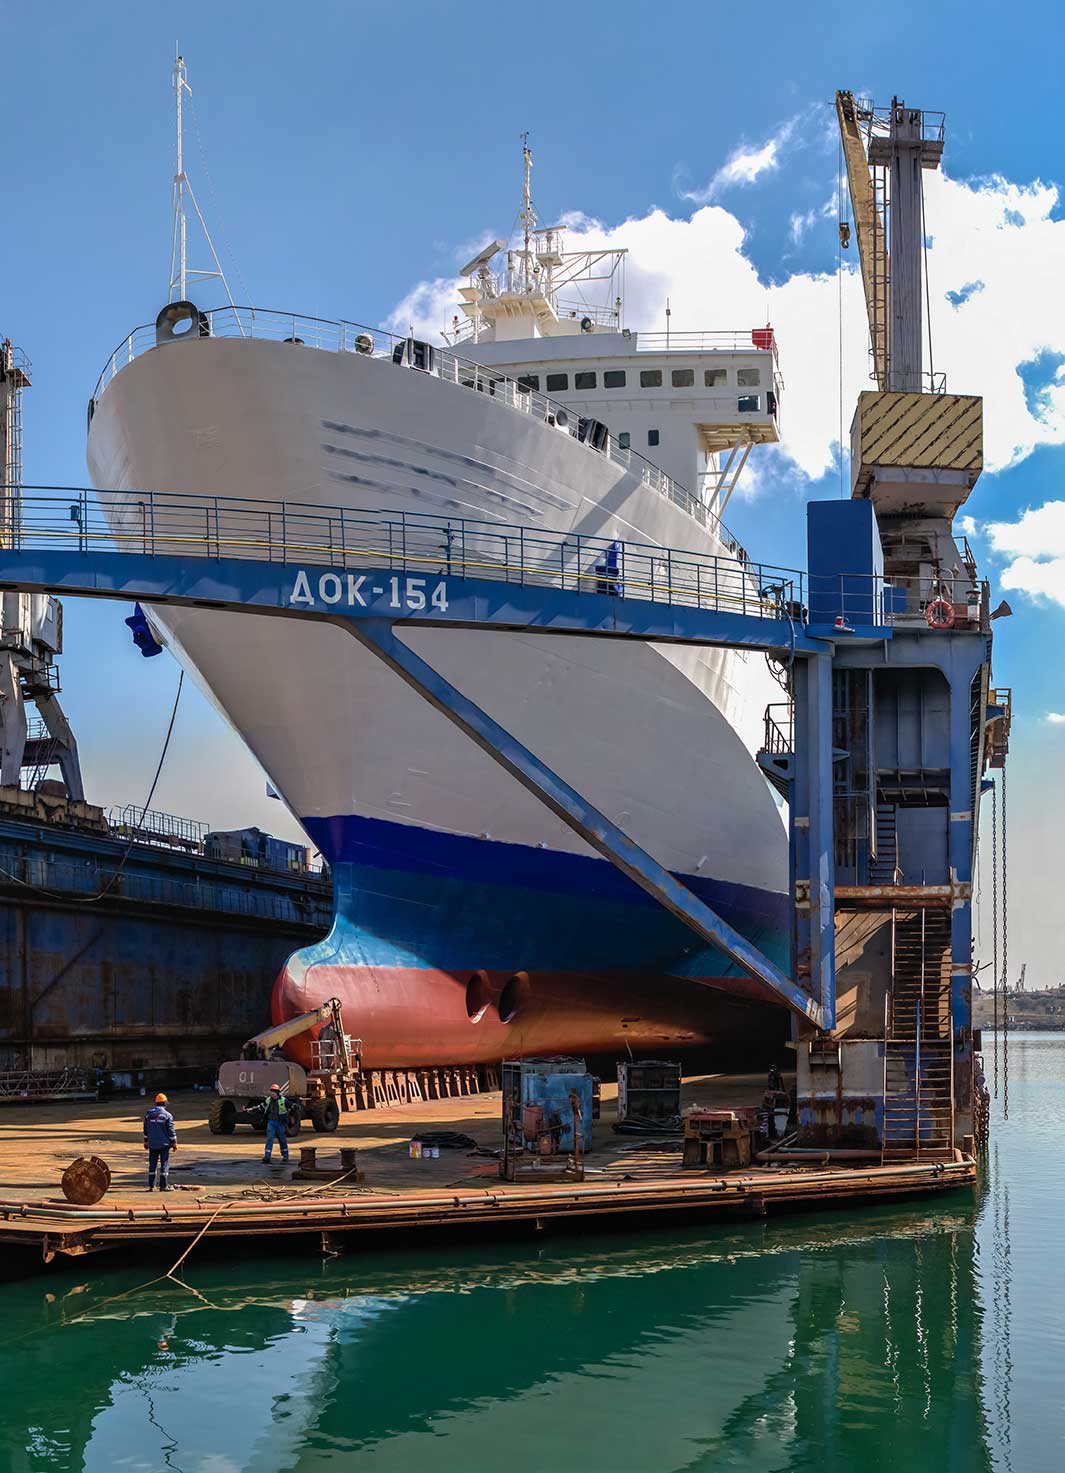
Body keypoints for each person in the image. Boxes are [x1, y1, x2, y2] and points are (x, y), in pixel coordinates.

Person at [143, 1092, 177, 1191]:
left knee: (152, 1164)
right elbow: (171, 1130)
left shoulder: (149, 1114)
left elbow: (145, 1128)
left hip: (152, 1144)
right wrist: (174, 1143)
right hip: (164, 1145)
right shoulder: (167, 1115)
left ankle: (152, 1186)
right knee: (164, 1164)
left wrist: (146, 1141)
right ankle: (163, 1186)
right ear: (165, 1103)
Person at [261, 1081, 290, 1164]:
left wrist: (295, 1106)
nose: (272, 1093)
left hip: (280, 1122)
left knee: (282, 1139)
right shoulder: (268, 1100)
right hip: (271, 1122)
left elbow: (290, 1104)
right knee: (270, 1139)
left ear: (277, 1092)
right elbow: (261, 1107)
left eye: (273, 1092)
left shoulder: (283, 1100)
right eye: (271, 1091)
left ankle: (285, 1156)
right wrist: (249, 1110)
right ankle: (267, 1156)